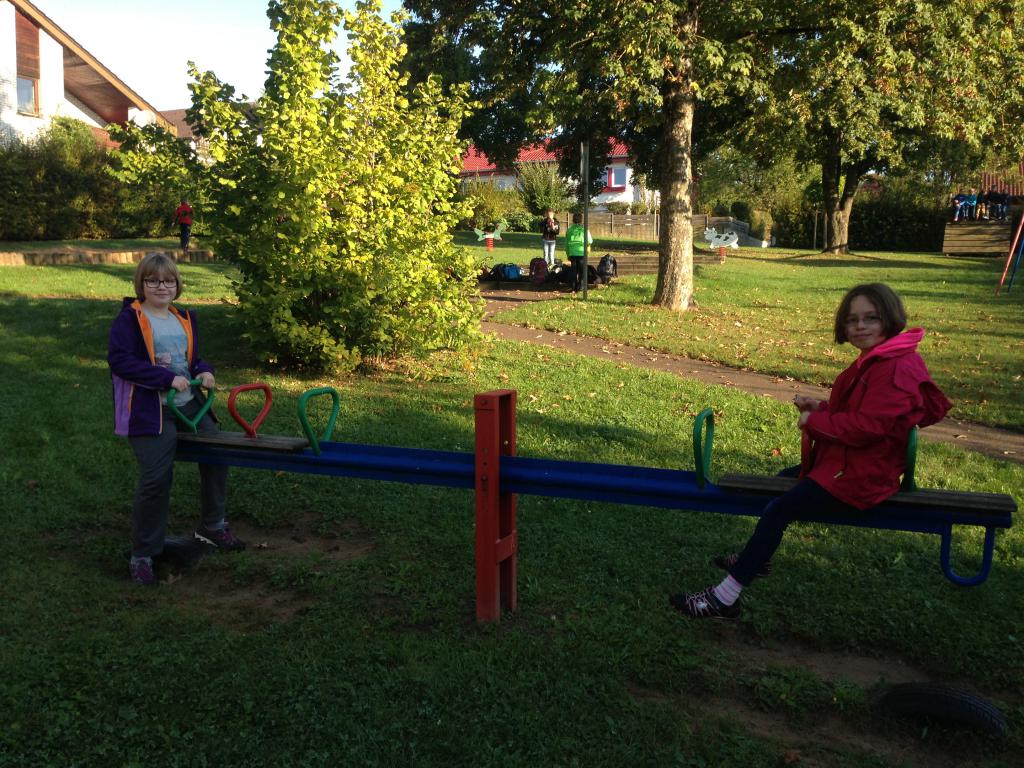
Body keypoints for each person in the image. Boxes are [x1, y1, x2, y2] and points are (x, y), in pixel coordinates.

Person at [671, 283, 952, 619]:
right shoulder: (879, 359)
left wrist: (815, 422)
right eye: (852, 320)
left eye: (871, 318)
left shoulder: (896, 368)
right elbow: (860, 412)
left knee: (779, 509)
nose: (860, 326)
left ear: (890, 318)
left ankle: (724, 598)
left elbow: (869, 427)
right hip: (844, 464)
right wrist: (821, 408)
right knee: (779, 484)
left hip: (862, 476)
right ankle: (755, 558)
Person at [108, 253, 245, 586]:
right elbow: (120, 361)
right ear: (141, 284)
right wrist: (164, 379)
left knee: (217, 455)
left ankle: (213, 526)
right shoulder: (130, 319)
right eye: (153, 280)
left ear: (177, 285)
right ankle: (143, 554)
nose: (161, 287)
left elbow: (192, 360)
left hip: (190, 405)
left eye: (168, 281)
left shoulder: (182, 317)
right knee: (156, 477)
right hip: (150, 410)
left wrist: (205, 371)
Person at [565, 212, 593, 292]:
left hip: (572, 253)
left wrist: (568, 253)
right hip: (581, 252)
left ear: (573, 220)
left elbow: (566, 243)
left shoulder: (569, 230)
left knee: (573, 270)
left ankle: (573, 286)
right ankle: (581, 286)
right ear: (581, 220)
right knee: (582, 271)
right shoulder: (584, 230)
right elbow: (590, 241)